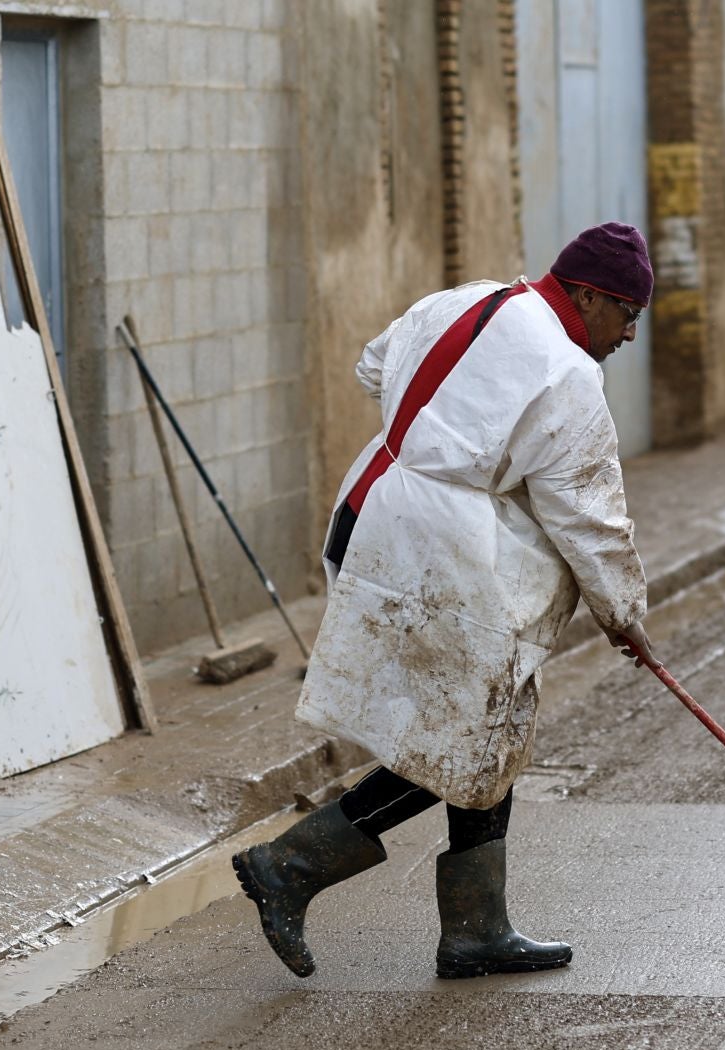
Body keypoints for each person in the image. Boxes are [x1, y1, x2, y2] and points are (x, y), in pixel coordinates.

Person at [232, 222, 659, 980]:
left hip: (374, 511)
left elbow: (374, 366)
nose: (629, 333)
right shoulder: (567, 374)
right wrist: (623, 613)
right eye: (625, 313)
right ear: (587, 293)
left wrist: (437, 432)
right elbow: (587, 512)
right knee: (461, 733)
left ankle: (476, 926)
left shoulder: (468, 299)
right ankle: (291, 864)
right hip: (435, 548)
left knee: (483, 724)